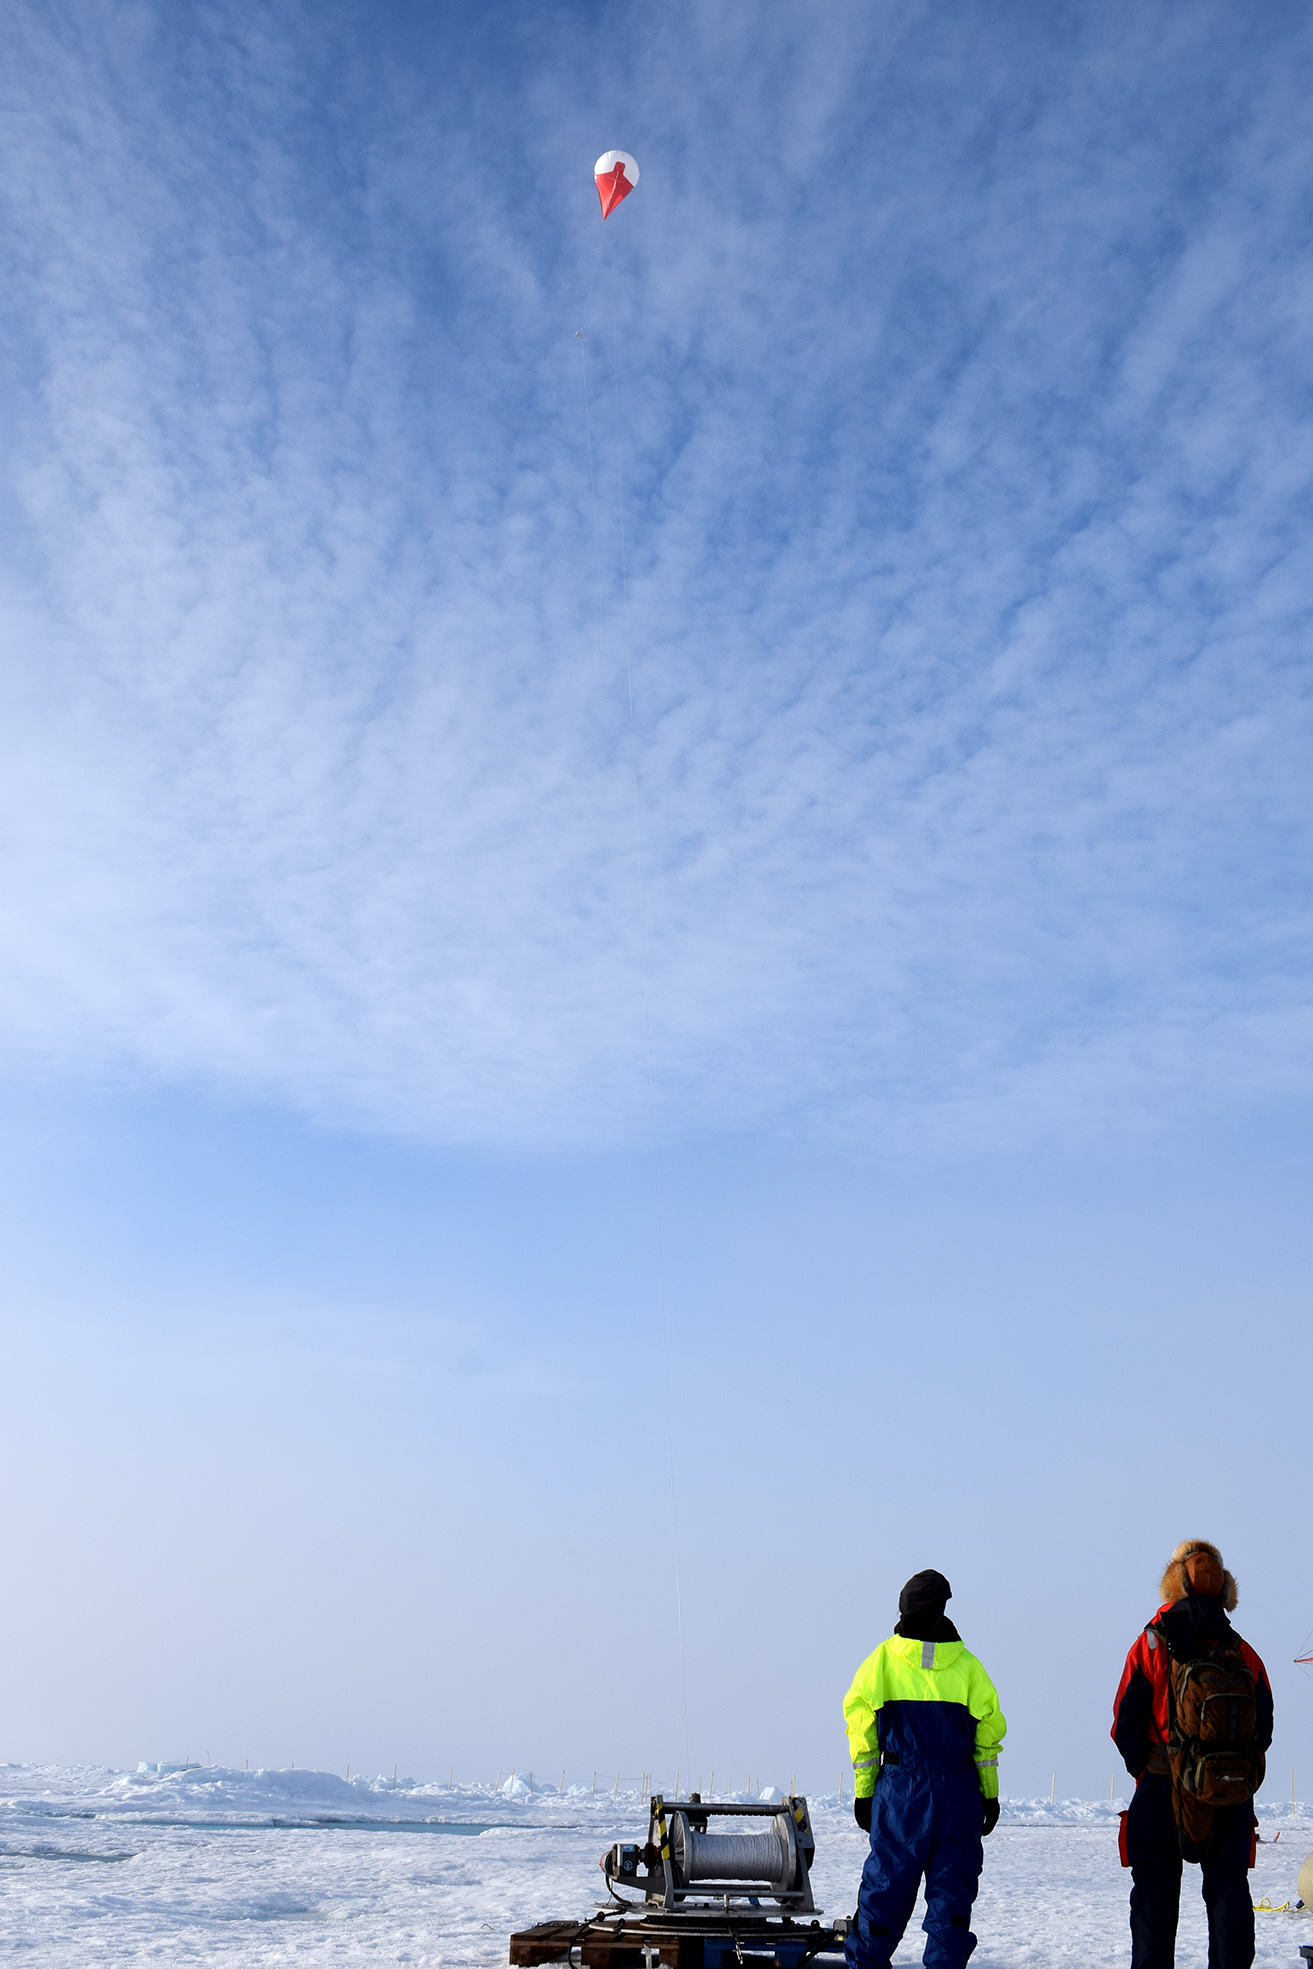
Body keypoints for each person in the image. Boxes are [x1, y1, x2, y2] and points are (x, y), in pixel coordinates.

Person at [1112, 1538, 1274, 1969]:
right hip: (1230, 1788)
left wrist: (1149, 1769)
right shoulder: (1241, 1650)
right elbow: (1265, 1725)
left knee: (1154, 1897)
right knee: (1228, 1891)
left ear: (1173, 1582)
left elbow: (1124, 1722)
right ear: (1224, 1590)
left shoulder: (1150, 1642)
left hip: (1161, 1783)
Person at [843, 1570, 1006, 1969]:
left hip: (901, 1795)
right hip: (959, 1792)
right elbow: (988, 1736)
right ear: (942, 1609)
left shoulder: (880, 1662)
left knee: (885, 1895)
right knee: (951, 1902)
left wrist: (865, 1792)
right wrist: (989, 1793)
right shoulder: (969, 1667)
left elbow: (862, 1735)